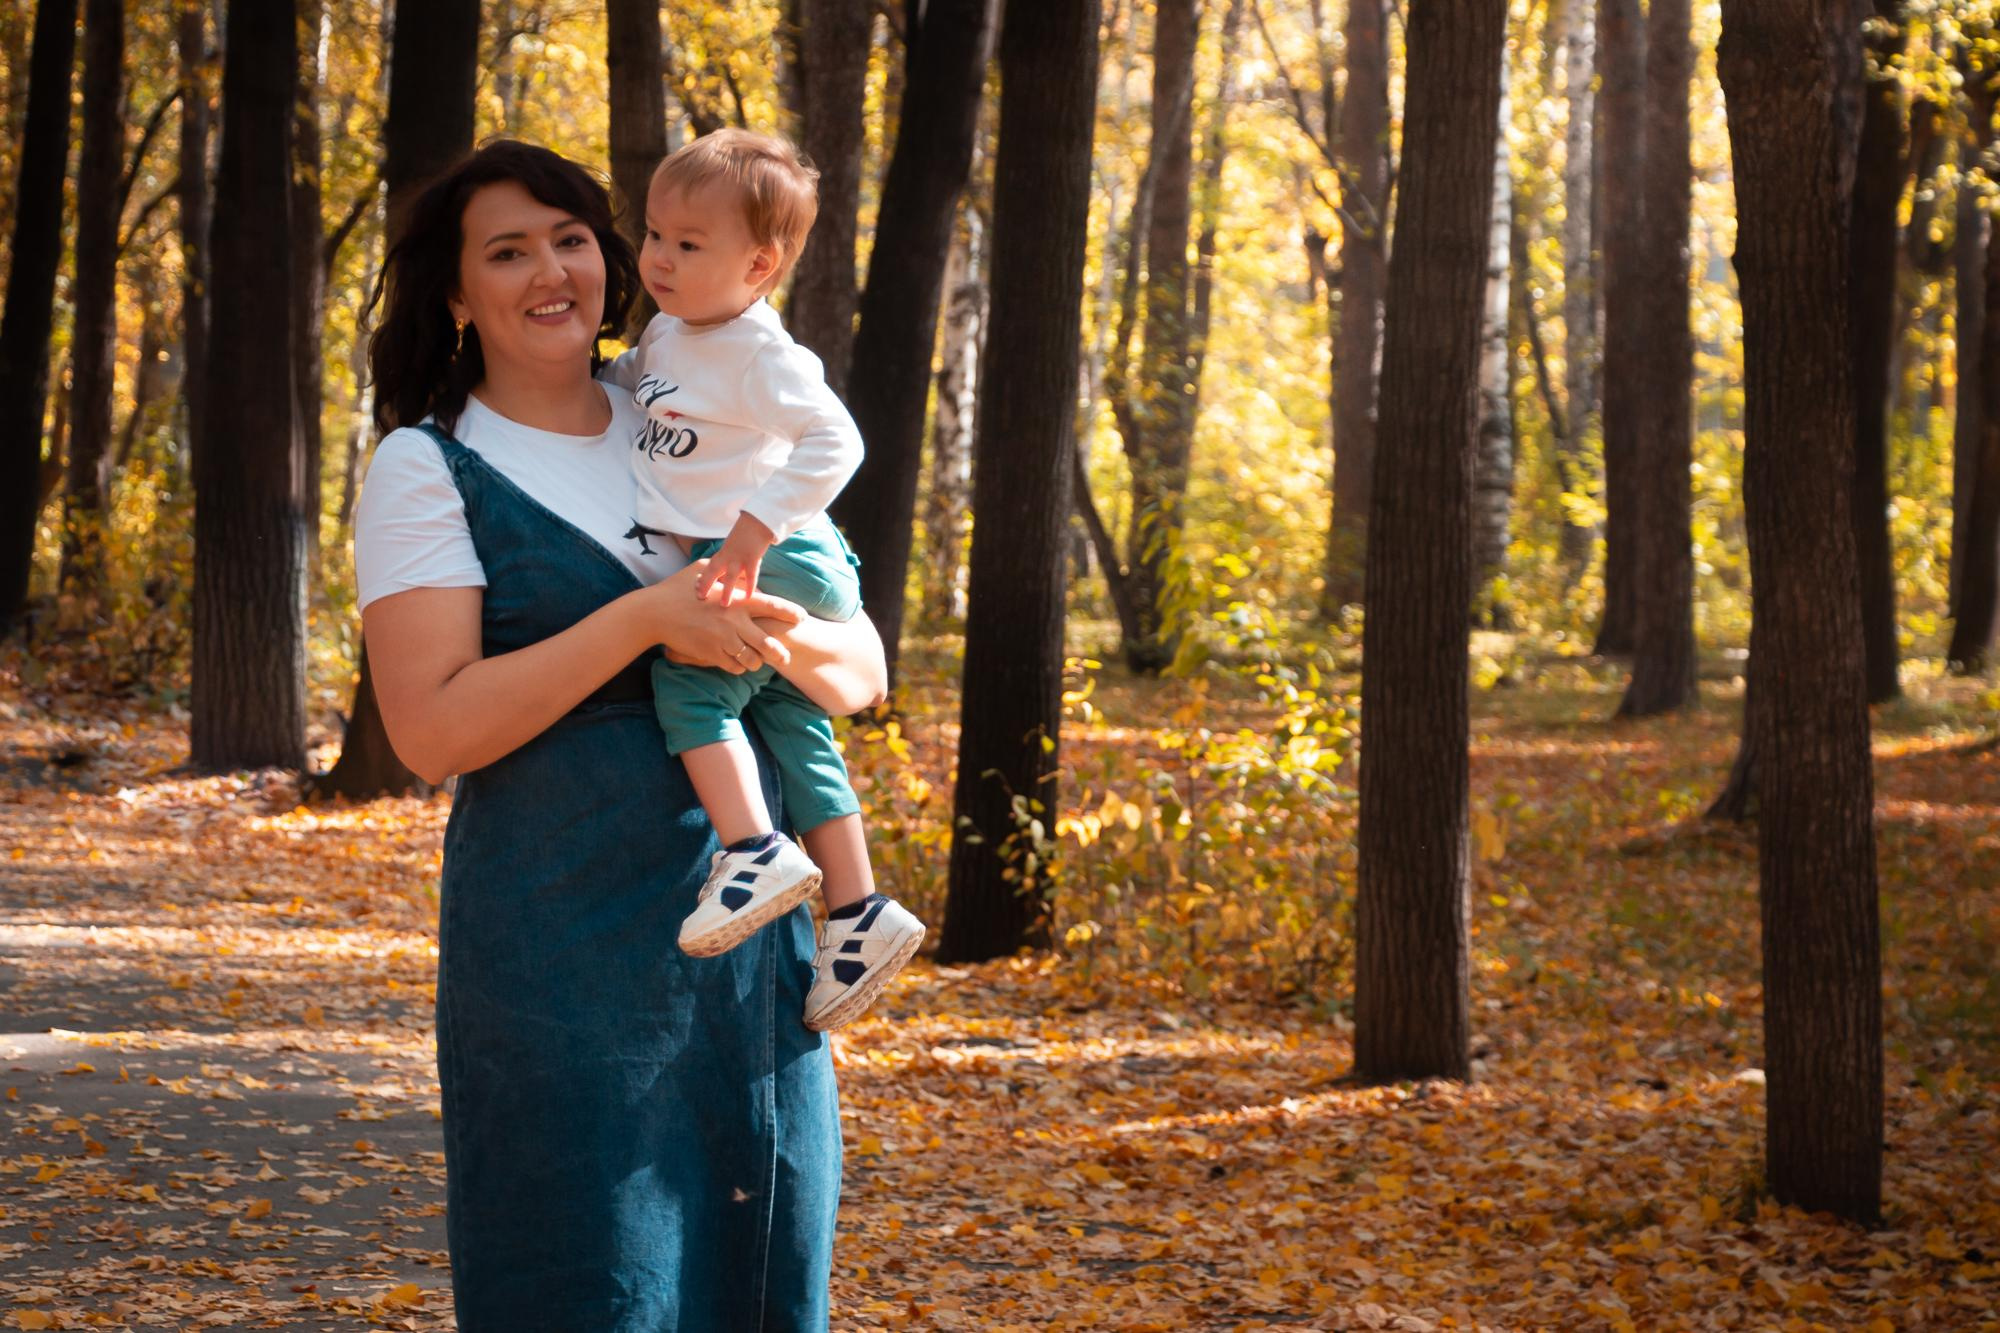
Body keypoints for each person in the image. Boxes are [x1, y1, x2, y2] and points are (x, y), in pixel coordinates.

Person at [352, 139, 873, 1330]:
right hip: (557, 955)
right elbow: (430, 729)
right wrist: (646, 619)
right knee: (589, 1278)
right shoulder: (431, 464)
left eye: (571, 239)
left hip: (748, 950)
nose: (551, 271)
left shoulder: (697, 403)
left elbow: (857, 674)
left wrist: (752, 629)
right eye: (507, 252)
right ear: (455, 293)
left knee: (759, 1277)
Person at [613, 128, 923, 1032]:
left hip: (771, 547)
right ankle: (860, 910)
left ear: (758, 266)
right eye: (655, 234)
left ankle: (752, 848)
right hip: (757, 546)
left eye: (687, 244)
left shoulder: (759, 353)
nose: (659, 258)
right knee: (791, 722)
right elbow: (632, 385)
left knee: (690, 685)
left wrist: (751, 532)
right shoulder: (671, 330)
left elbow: (839, 441)